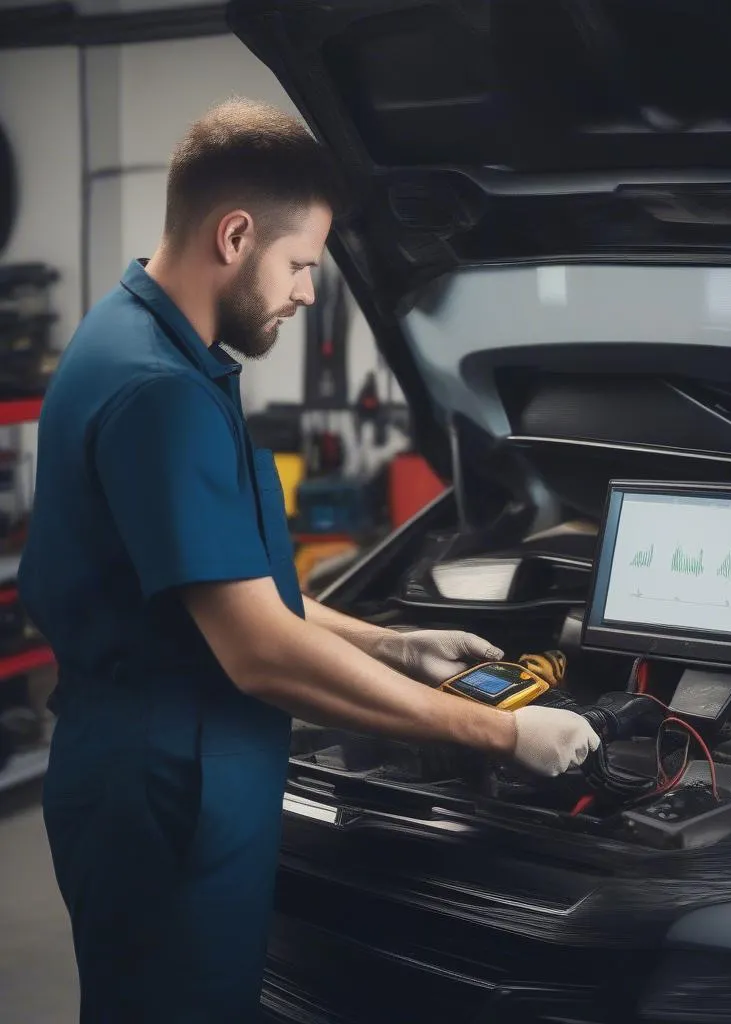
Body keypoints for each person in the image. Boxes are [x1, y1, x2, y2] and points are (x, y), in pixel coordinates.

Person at [17, 98, 600, 1024]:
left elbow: (224, 575)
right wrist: (504, 735)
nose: (305, 292)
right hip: (169, 788)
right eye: (299, 265)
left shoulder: (136, 340)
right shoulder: (159, 395)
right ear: (236, 234)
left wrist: (393, 646)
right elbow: (260, 650)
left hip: (160, 764)